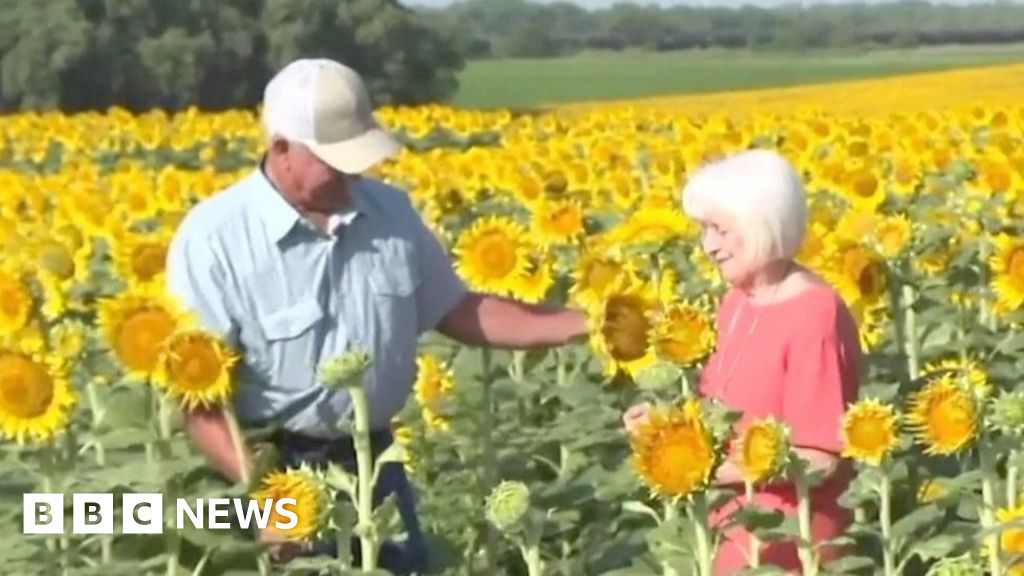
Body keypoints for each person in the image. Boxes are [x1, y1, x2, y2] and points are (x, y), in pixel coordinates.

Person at [166, 58, 589, 574]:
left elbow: (457, 310)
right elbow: (197, 398)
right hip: (274, 466)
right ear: (282, 151)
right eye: (335, 160)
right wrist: (264, 497)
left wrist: (584, 323)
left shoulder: (390, 213)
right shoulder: (215, 239)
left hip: (375, 463)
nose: (353, 172)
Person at [622, 149, 861, 574]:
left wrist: (698, 472)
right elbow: (729, 413)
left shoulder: (813, 313)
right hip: (731, 529)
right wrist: (668, 430)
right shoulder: (738, 300)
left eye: (720, 230)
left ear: (762, 227)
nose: (709, 246)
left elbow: (820, 457)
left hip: (791, 540)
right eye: (705, 230)